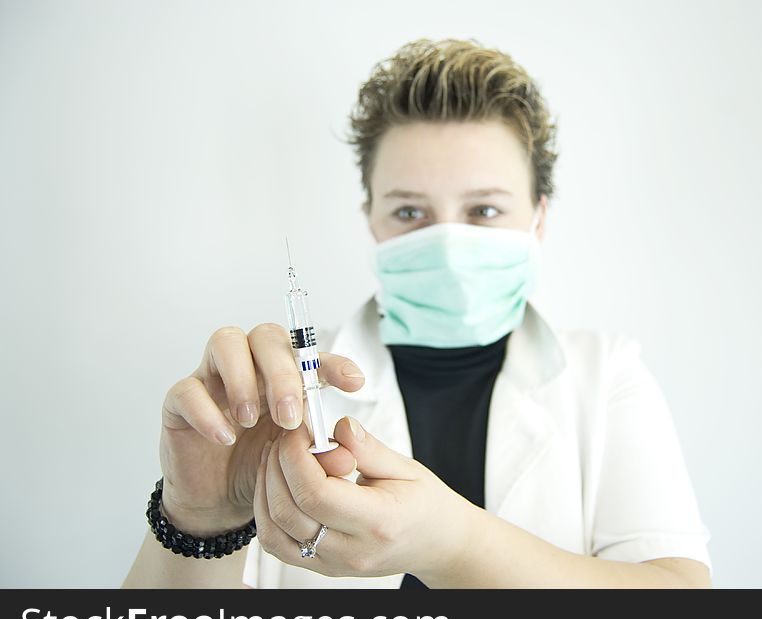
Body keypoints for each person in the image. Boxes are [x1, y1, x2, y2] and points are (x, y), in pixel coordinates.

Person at [123, 37, 712, 589]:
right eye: (410, 214)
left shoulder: (605, 376)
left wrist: (449, 544)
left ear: (539, 217)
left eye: (483, 210)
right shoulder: (279, 400)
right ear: (372, 218)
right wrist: (197, 515)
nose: (448, 246)